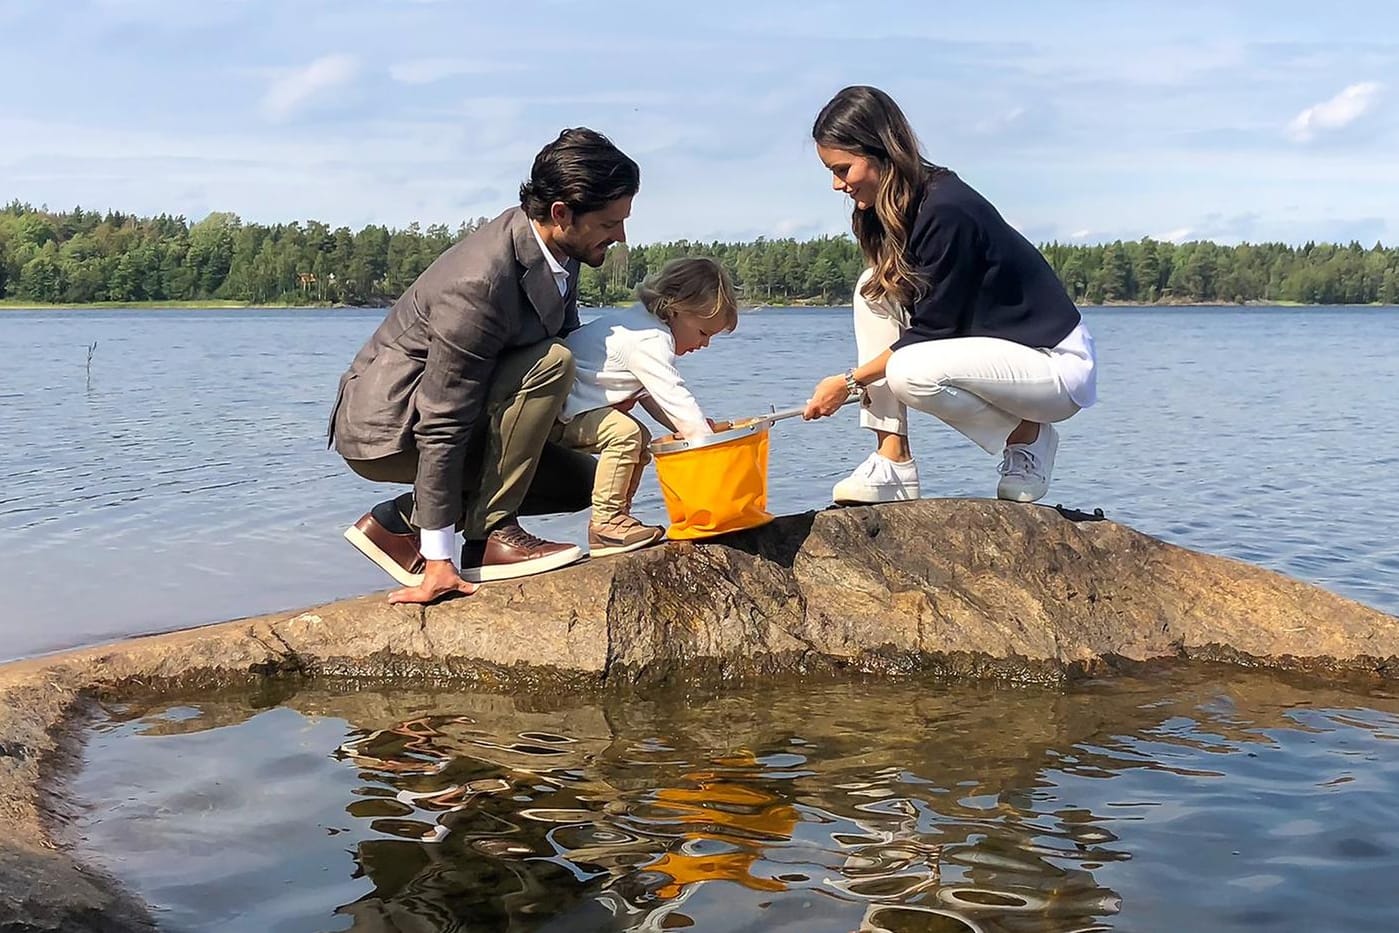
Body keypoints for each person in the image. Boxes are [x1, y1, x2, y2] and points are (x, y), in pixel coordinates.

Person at [329, 127, 639, 604]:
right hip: (391, 426)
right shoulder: (479, 281)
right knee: (552, 363)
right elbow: (443, 419)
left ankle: (399, 525)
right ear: (561, 214)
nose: (619, 236)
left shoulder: (563, 249)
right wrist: (439, 561)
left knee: (577, 482)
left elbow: (567, 340)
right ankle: (489, 536)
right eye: (609, 223)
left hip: (457, 409)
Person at [802, 86, 1097, 505]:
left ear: (881, 152)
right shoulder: (890, 208)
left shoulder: (946, 208)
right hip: (998, 355)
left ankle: (1028, 436)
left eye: (843, 169)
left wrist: (848, 383)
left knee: (910, 371)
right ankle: (893, 458)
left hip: (1055, 366)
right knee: (872, 288)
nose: (836, 184)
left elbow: (931, 333)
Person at [553, 257, 738, 556]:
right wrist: (702, 437)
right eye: (703, 333)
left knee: (639, 437)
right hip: (556, 413)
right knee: (626, 434)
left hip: (571, 409)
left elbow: (652, 397)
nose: (704, 344)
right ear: (676, 309)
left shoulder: (639, 323)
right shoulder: (650, 339)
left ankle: (616, 519)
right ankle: (607, 521)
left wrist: (692, 428)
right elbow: (673, 394)